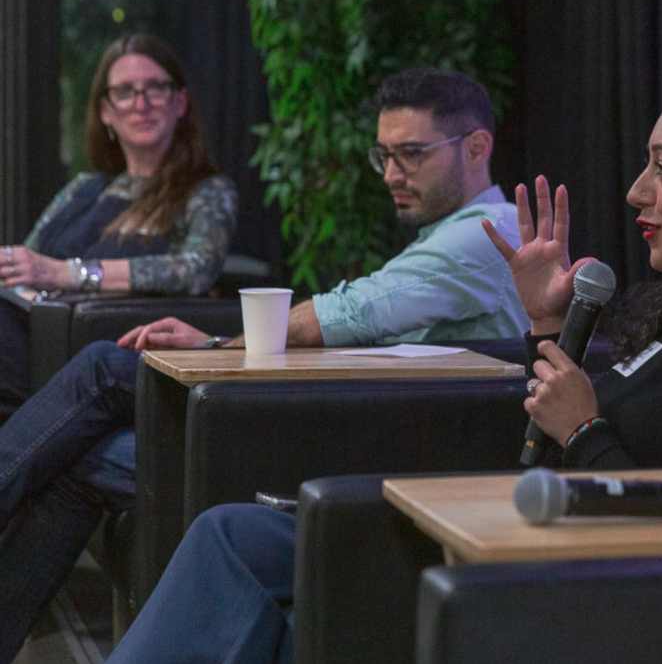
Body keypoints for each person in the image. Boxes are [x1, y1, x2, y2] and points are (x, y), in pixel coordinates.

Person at [104, 71, 662, 662]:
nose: (636, 191)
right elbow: (570, 430)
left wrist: (586, 427)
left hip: (561, 598)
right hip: (513, 543)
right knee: (238, 540)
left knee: (240, 547)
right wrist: (549, 324)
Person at [0, 68, 527, 662]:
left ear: (476, 147)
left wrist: (216, 349)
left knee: (102, 369)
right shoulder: (457, 235)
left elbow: (349, 313)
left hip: (370, 450)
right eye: (383, 154)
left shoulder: (485, 235)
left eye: (410, 154)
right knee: (81, 449)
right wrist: (213, 344)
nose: (390, 175)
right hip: (353, 420)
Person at [0, 33, 236, 420]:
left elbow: (195, 269)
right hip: (27, 331)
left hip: (92, 350)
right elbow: (24, 266)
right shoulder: (84, 188)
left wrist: (66, 273)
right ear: (106, 112)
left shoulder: (207, 191)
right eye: (125, 92)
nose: (140, 104)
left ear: (180, 102)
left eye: (155, 88)